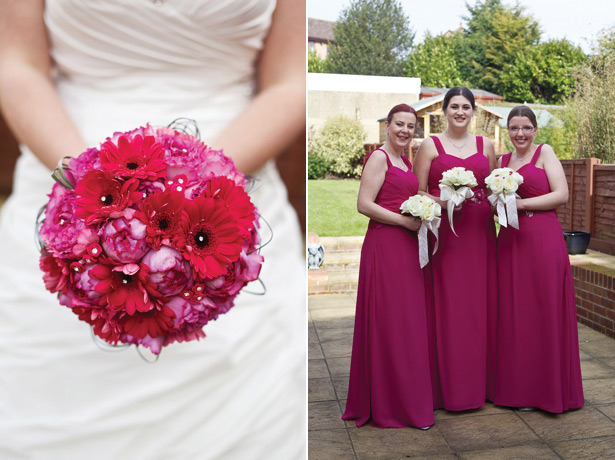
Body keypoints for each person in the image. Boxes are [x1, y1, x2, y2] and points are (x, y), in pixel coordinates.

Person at [0, 1, 306, 459]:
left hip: (233, 166)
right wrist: (88, 185)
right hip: (62, 165)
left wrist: (205, 186)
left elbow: (291, 79)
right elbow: (17, 62)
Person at [342, 104, 435, 429]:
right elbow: (363, 204)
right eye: (400, 124)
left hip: (407, 250)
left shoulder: (405, 161)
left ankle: (407, 399)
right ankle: (389, 405)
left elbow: (413, 196)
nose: (405, 131)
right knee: (391, 321)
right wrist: (404, 223)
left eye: (411, 126)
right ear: (388, 126)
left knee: (406, 323)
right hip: (385, 247)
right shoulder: (380, 158)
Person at [493, 106, 584, 412]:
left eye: (526, 128)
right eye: (514, 128)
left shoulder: (545, 153)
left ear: (535, 130)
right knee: (513, 314)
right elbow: (495, 206)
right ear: (508, 130)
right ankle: (517, 390)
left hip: (543, 242)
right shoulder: (501, 162)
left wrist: (522, 204)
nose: (520, 134)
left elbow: (562, 195)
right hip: (509, 243)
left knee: (543, 311)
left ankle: (548, 391)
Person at [412, 86, 497, 411]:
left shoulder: (485, 145)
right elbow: (418, 192)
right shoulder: (429, 145)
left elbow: (490, 188)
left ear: (472, 111)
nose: (460, 112)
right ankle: (445, 388)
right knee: (449, 307)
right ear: (445, 110)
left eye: (465, 107)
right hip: (445, 235)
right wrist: (445, 200)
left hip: (479, 233)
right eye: (454, 106)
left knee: (479, 306)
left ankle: (482, 386)